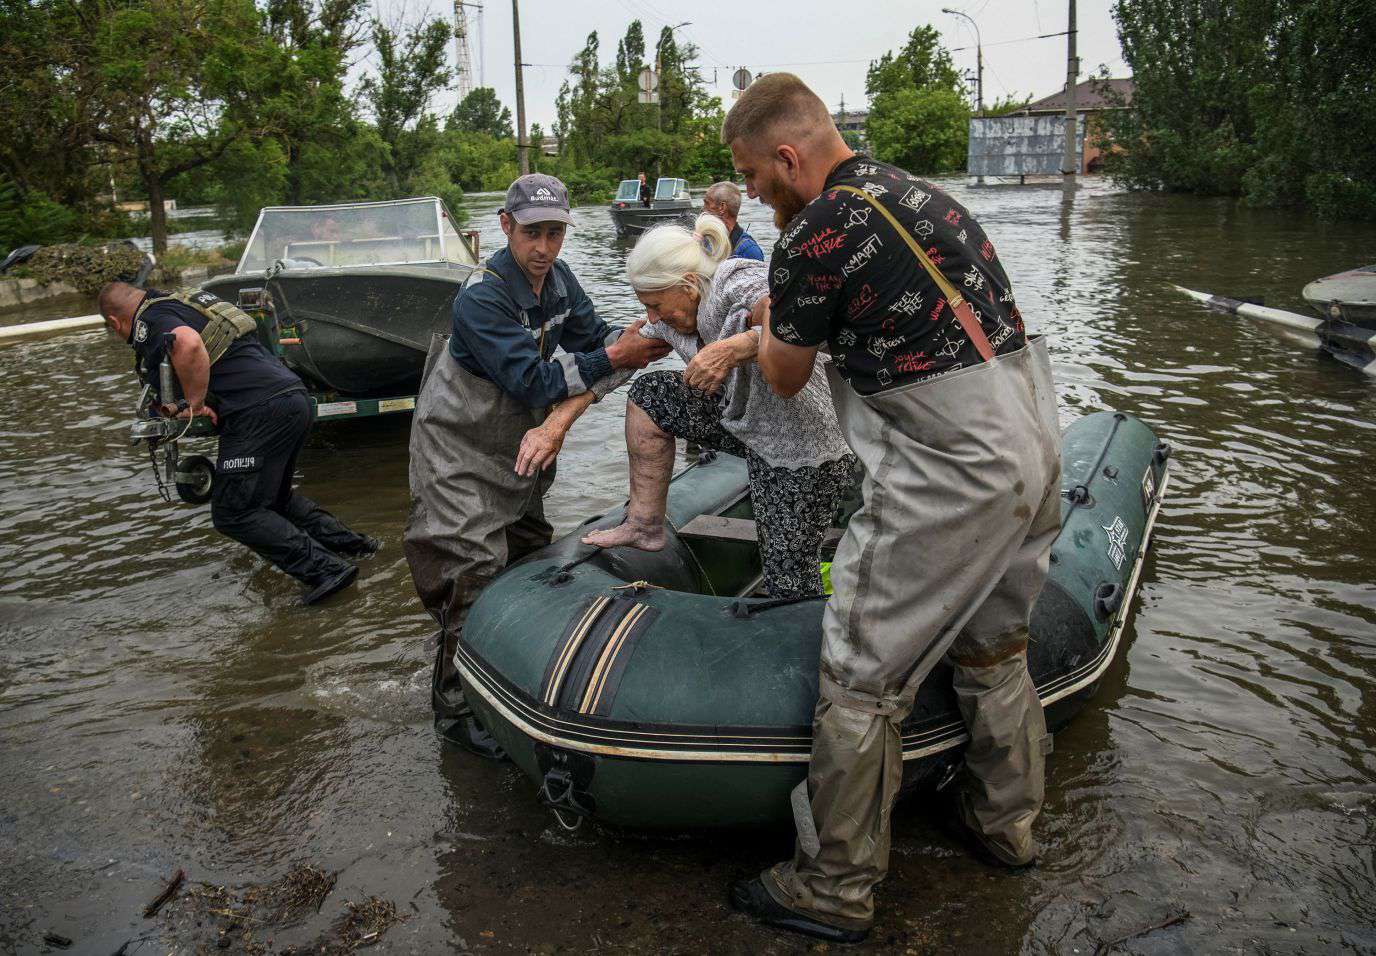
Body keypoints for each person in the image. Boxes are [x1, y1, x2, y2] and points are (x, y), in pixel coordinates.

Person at [722, 73, 1062, 943]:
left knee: (860, 674)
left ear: (787, 156)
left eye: (754, 178)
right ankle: (1006, 827)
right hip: (1032, 438)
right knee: (996, 647)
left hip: (950, 470)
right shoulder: (926, 196)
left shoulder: (815, 232)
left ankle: (832, 887)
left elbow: (785, 375)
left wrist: (771, 311)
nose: (753, 197)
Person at [404, 173, 671, 755]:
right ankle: (455, 711)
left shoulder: (560, 280)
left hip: (515, 442)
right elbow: (534, 379)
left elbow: (591, 337)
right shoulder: (482, 295)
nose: (544, 248)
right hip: (457, 445)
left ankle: (509, 671)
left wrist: (634, 336)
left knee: (527, 549)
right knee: (469, 569)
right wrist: (616, 354)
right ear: (506, 226)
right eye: (532, 233)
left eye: (555, 233)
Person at [581, 214, 854, 598]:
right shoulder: (670, 321)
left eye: (655, 304)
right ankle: (644, 525)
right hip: (748, 427)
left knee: (787, 579)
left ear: (688, 285)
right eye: (646, 307)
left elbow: (790, 313)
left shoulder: (732, 279)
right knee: (650, 393)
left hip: (805, 445)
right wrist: (556, 423)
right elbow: (623, 361)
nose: (652, 317)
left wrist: (736, 347)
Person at [98, 281, 377, 605]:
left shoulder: (151, 320)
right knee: (273, 501)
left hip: (259, 411)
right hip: (290, 398)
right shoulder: (179, 302)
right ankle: (357, 547)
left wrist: (194, 402)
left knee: (234, 512)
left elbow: (188, 343)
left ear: (115, 322)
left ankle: (326, 571)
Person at [702, 181, 765, 261]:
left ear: (722, 207)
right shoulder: (706, 241)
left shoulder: (749, 250)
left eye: (707, 203)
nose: (703, 209)